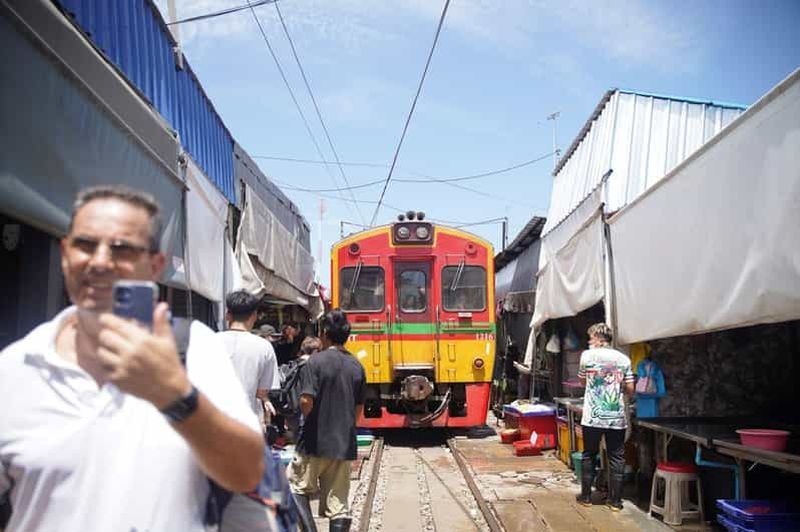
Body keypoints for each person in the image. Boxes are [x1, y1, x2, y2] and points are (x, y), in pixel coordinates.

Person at [0, 185, 264, 531]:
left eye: (122, 248)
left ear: (155, 266)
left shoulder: (195, 350)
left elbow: (246, 473)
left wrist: (174, 395)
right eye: (85, 244)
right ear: (65, 254)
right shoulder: (16, 367)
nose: (100, 261)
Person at [288, 310, 366, 532]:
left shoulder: (315, 362)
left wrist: (308, 417)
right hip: (343, 442)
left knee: (296, 487)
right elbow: (358, 408)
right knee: (339, 503)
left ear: (324, 334)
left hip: (315, 439)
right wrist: (347, 426)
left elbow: (305, 400)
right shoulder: (356, 366)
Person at [575, 323, 635, 511]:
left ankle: (585, 497)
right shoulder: (623, 359)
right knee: (616, 457)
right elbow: (631, 389)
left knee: (589, 455)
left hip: (592, 417)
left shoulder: (587, 356)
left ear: (599, 339)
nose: (589, 341)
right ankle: (615, 501)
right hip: (616, 418)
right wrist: (617, 388)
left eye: (591, 338)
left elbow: (583, 381)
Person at [217, 290, 281, 435]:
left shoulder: (209, 341)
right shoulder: (264, 347)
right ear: (254, 316)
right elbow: (261, 393)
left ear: (228, 314)